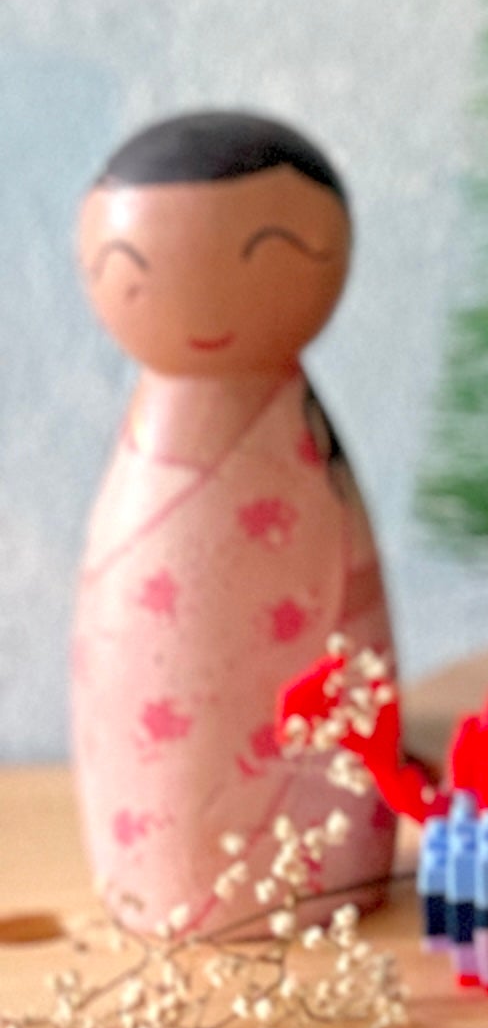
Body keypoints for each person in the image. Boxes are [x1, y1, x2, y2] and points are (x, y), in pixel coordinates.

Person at [69, 109, 397, 931]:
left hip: (319, 789)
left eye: (270, 260)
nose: (209, 311)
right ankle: (165, 874)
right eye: (135, 272)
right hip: (163, 829)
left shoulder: (298, 443)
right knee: (161, 726)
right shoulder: (154, 458)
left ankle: (329, 866)